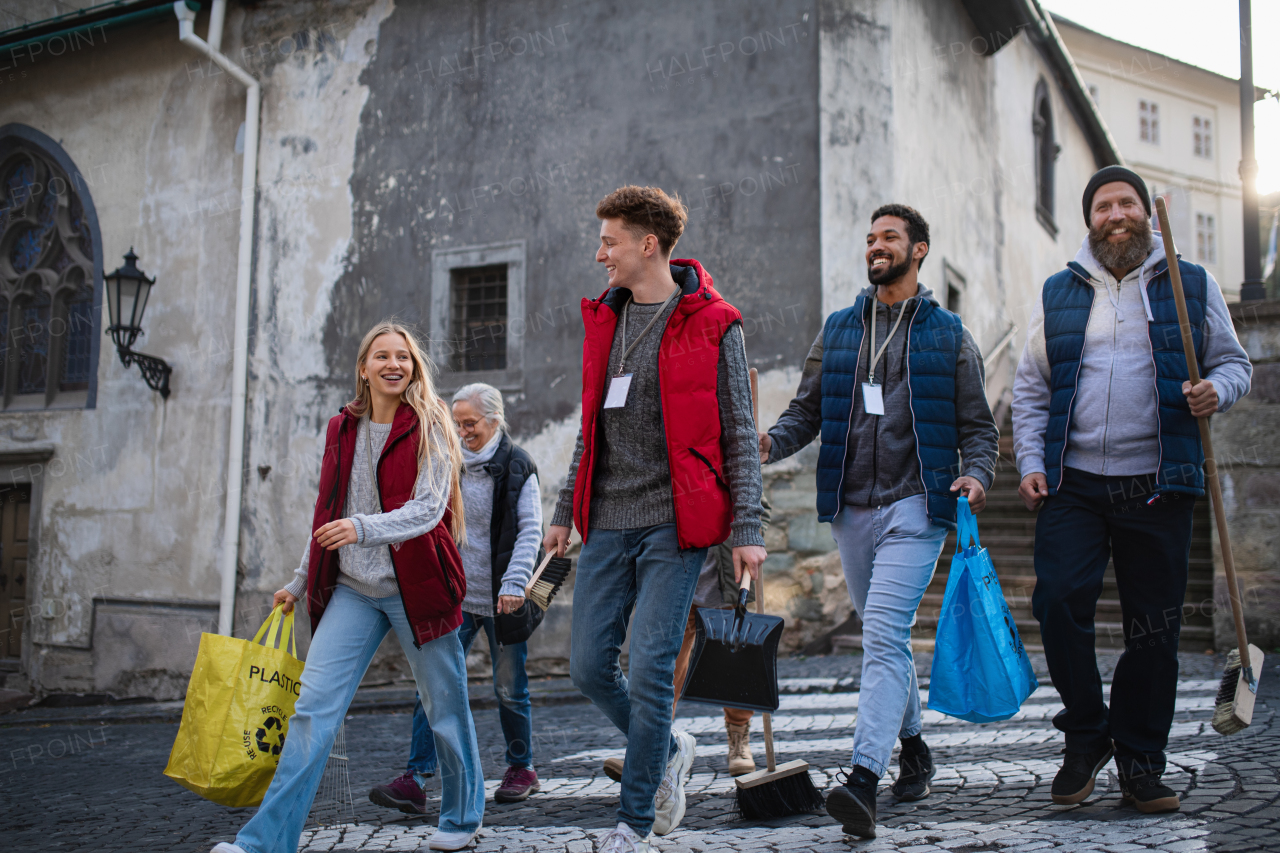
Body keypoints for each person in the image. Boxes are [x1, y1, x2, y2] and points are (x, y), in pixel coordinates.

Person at [1012, 166, 1251, 814]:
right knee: (1058, 600)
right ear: (1089, 220)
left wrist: (1215, 390)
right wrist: (1031, 459)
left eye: (1126, 203)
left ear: (1146, 211)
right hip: (1074, 482)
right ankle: (1087, 734)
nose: (1115, 215)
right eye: (1102, 206)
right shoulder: (1059, 291)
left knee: (1155, 629)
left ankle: (1142, 755)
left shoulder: (1188, 282)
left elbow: (1235, 364)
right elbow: (1031, 388)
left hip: (1159, 480)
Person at [759, 204, 999, 839]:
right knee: (884, 639)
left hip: (917, 502)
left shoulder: (949, 335)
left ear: (918, 250)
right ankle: (915, 744)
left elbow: (979, 426)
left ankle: (863, 777)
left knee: (883, 635)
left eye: (889, 237)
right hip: (850, 506)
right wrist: (766, 445)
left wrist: (977, 473)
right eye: (870, 238)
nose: (876, 246)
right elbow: (805, 413)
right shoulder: (839, 330)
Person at [545, 185, 767, 853]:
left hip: (678, 523)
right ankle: (670, 746)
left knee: (649, 667)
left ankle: (633, 820)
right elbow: (591, 429)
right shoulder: (606, 321)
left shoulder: (715, 321)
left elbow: (737, 431)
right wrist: (563, 512)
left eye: (609, 241)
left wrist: (748, 528)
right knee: (587, 666)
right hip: (608, 518)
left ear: (648, 244)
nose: (599, 253)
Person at [210, 322, 485, 853]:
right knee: (312, 711)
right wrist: (298, 580)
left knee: (444, 707)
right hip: (355, 589)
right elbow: (328, 512)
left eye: (402, 357)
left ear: (413, 366)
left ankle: (461, 817)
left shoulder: (429, 423)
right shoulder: (342, 428)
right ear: (363, 368)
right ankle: (265, 842)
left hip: (418, 588)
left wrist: (362, 528)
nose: (393, 365)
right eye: (381, 356)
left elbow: (428, 510)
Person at [368, 382, 544, 813]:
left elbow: (530, 532)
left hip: (505, 600)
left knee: (509, 689)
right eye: (457, 422)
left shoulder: (519, 465)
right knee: (433, 686)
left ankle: (522, 768)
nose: (462, 431)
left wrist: (514, 584)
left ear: (495, 421)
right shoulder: (446, 461)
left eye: (470, 424)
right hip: (457, 599)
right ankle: (416, 778)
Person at [602, 497, 773, 784]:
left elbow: (758, 507)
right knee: (662, 669)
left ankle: (739, 740)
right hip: (674, 580)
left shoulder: (727, 454)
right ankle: (649, 750)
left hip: (724, 581)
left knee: (734, 667)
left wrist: (751, 538)